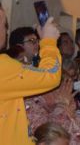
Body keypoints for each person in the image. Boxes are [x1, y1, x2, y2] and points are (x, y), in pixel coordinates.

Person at [0, 8, 62, 145]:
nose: (6, 30)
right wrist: (49, 42)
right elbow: (51, 74)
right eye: (4, 24)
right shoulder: (3, 68)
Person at [26, 56, 80, 145]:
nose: (67, 92)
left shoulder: (66, 99)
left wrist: (73, 116)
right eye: (65, 87)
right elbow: (50, 136)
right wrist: (62, 107)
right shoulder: (30, 105)